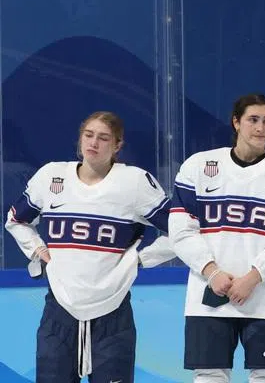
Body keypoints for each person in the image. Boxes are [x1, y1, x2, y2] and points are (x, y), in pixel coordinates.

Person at [4, 111, 175, 383]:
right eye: (89, 135)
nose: (94, 143)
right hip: (59, 308)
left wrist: (141, 260)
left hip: (113, 312)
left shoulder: (134, 182)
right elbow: (16, 220)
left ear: (117, 146)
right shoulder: (51, 177)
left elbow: (181, 230)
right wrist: (37, 249)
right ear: (80, 139)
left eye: (103, 138)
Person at [169, 94, 265, 383]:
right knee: (209, 375)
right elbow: (181, 230)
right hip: (209, 293)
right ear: (236, 122)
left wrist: (254, 276)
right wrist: (211, 272)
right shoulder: (198, 166)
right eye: (253, 120)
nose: (260, 128)